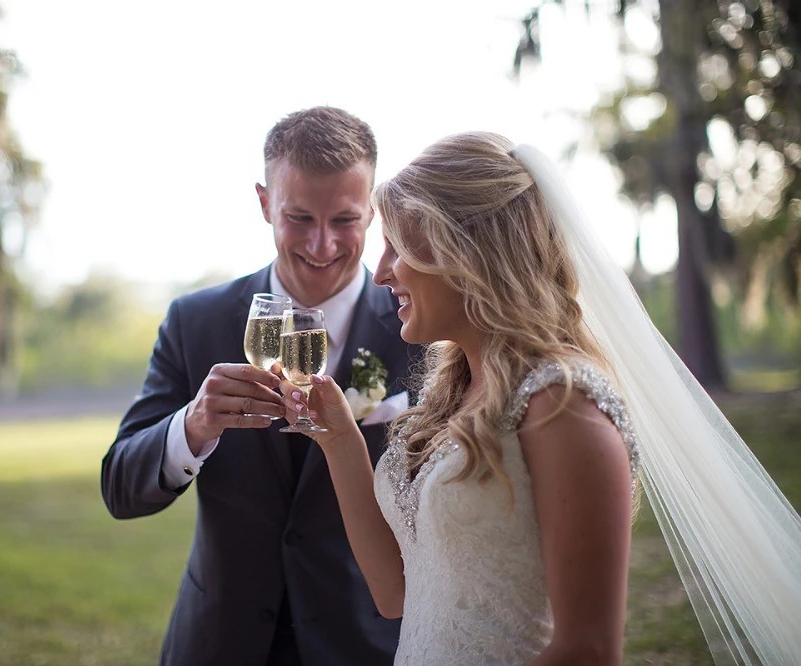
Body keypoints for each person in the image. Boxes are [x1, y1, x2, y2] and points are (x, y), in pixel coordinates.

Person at [279, 131, 801, 665]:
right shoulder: (452, 396)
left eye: (400, 246)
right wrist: (340, 439)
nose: (383, 269)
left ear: (466, 251)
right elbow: (394, 594)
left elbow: (589, 650)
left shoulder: (563, 405)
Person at [101, 106, 418, 666]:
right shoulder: (195, 321)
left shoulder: (419, 332)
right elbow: (120, 487)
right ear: (265, 202)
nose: (322, 247)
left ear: (373, 211)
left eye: (344, 220)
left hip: (364, 644)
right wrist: (192, 427)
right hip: (219, 643)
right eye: (299, 217)